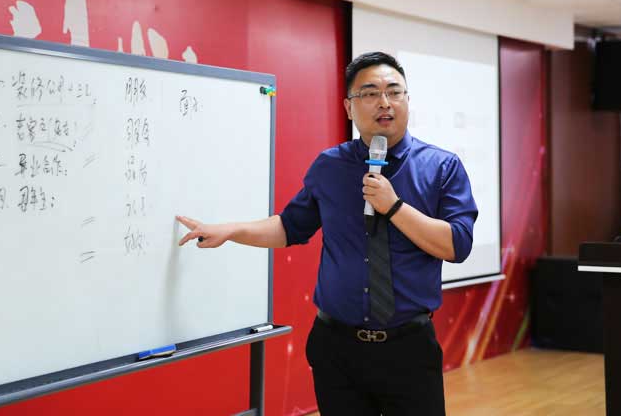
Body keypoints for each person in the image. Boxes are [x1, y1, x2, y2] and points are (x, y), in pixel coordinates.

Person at [176, 51, 477, 416]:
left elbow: (457, 244)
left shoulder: (442, 167)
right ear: (349, 107)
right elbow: (289, 227)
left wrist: (394, 206)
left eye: (394, 92)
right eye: (370, 93)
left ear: (407, 100)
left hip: (408, 348)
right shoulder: (330, 166)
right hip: (337, 348)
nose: (384, 102)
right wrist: (231, 229)